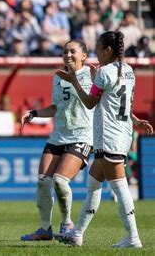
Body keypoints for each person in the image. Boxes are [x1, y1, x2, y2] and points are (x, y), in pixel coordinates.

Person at [55, 31, 153, 248]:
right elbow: (116, 100)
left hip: (108, 136)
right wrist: (136, 121)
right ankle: (77, 233)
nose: (95, 53)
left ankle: (133, 237)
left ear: (108, 50)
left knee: (120, 187)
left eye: (98, 49)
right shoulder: (128, 71)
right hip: (122, 133)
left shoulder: (104, 72)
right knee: (93, 185)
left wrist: (74, 82)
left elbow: (90, 102)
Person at [20, 40, 94, 241]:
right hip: (58, 135)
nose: (68, 55)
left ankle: (66, 223)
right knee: (43, 181)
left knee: (61, 182)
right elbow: (56, 107)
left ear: (84, 56)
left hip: (82, 135)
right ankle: (45, 229)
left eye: (73, 51)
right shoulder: (58, 77)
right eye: (65, 51)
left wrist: (74, 80)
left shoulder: (93, 75)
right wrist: (34, 113)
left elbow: (90, 103)